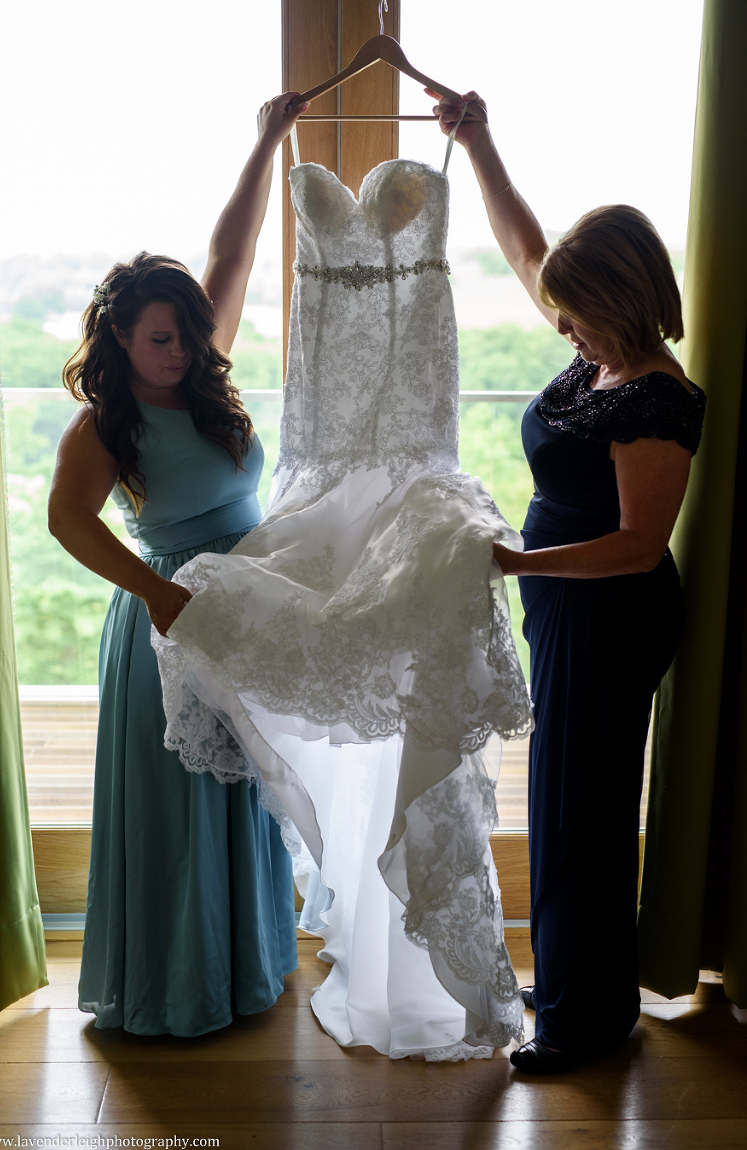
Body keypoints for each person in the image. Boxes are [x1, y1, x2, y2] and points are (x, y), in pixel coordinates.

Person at [149, 107, 534, 1057]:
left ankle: (421, 960)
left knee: (412, 716)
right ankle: (362, 929)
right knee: (314, 680)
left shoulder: (446, 173)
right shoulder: (261, 234)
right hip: (321, 471)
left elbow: (531, 257)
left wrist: (478, 143)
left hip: (412, 469)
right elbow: (226, 262)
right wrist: (259, 141)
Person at [431, 90, 706, 1072]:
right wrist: (480, 141)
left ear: (625, 305)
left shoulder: (658, 399)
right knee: (564, 796)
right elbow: (527, 250)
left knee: (583, 807)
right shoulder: (599, 357)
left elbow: (637, 542)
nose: (565, 327)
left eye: (580, 315)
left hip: (611, 610)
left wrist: (514, 559)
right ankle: (576, 978)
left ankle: (586, 1023)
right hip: (569, 606)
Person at [47, 93, 309, 1036]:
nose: (181, 351)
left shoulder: (203, 375)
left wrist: (267, 142)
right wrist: (157, 592)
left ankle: (246, 969)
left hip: (247, 609)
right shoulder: (104, 423)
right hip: (171, 615)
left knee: (245, 791)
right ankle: (177, 988)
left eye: (189, 334)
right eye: (161, 338)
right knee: (181, 806)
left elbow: (232, 256)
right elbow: (66, 520)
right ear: (119, 337)